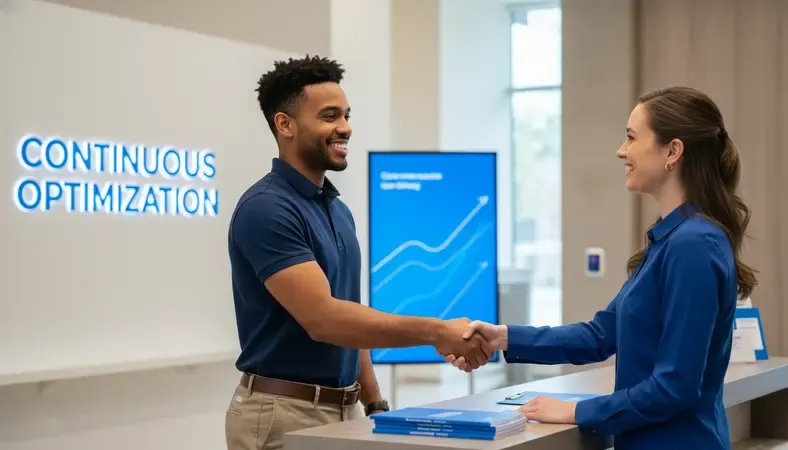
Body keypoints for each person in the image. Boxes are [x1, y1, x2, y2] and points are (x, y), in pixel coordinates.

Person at [444, 86, 757, 450]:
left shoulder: (692, 245)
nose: (621, 151)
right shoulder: (672, 241)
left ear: (673, 151)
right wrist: (502, 338)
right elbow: (600, 336)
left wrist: (576, 412)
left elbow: (675, 386)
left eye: (630, 137)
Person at [224, 55, 492, 450]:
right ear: (285, 125)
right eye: (330, 116)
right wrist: (437, 331)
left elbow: (349, 316)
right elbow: (325, 320)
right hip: (284, 413)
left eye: (347, 115)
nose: (345, 128)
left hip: (343, 408)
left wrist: (374, 403)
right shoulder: (266, 208)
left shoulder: (335, 208)